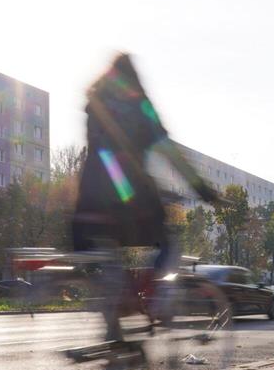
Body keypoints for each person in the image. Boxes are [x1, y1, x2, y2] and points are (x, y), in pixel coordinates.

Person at [72, 53, 223, 341]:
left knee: (110, 267)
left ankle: (114, 341)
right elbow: (170, 154)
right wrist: (203, 190)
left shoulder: (94, 105)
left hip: (87, 204)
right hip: (129, 201)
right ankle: (156, 298)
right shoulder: (140, 108)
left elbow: (101, 155)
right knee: (168, 242)